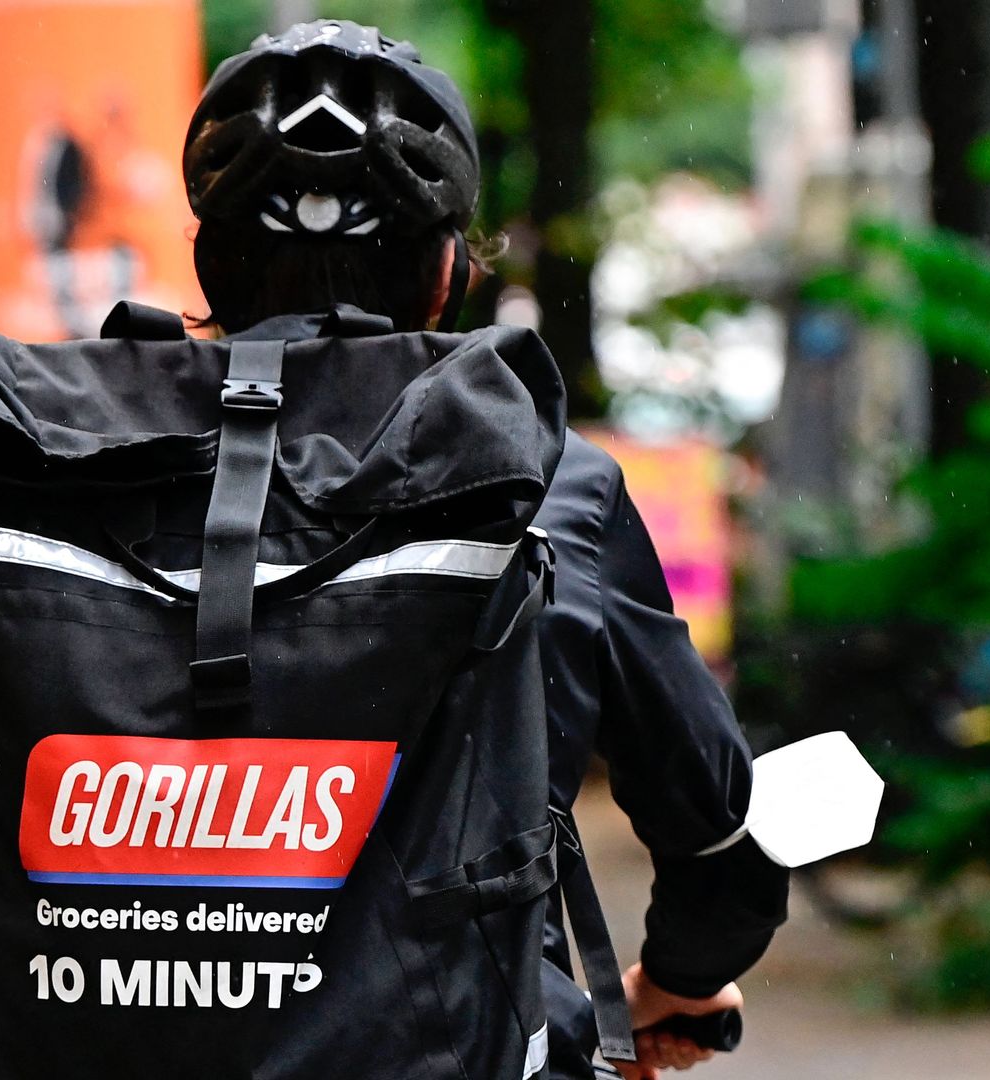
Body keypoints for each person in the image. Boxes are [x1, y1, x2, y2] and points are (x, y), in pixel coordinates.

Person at [179, 21, 789, 1078]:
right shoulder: (548, 484)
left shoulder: (78, 476)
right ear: (448, 275)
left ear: (211, 268)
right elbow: (714, 836)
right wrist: (677, 983)